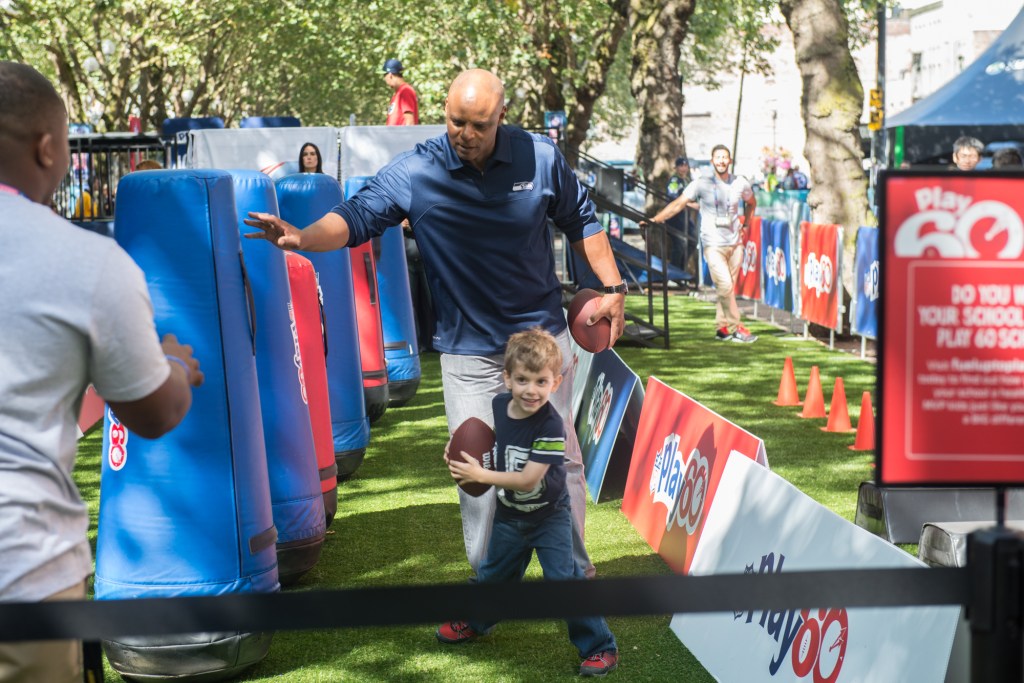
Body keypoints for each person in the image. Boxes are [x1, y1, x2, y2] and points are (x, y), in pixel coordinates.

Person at [244, 68, 626, 580]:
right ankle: (491, 588)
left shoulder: (540, 157)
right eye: (455, 121)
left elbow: (582, 220)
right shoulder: (417, 170)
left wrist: (614, 289)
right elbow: (357, 216)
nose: (464, 134)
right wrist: (301, 236)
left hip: (541, 346)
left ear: (502, 118)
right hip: (468, 352)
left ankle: (576, 582)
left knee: (557, 467)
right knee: (475, 471)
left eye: (478, 125)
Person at [0, 61, 204, 682]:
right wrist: (175, 364)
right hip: (23, 573)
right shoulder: (88, 261)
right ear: (48, 147)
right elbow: (153, 412)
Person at [437, 327, 618, 677]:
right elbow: (488, 439)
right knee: (492, 575)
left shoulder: (551, 425)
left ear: (556, 382)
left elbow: (528, 478)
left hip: (549, 517)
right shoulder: (500, 406)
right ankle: (476, 620)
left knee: (563, 580)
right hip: (511, 515)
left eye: (540, 381)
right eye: (521, 379)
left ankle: (599, 646)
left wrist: (481, 476)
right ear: (506, 378)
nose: (530, 390)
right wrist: (457, 447)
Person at [642, 144, 758, 343]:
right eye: (718, 157)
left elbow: (752, 202)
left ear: (729, 161)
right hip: (712, 244)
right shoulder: (701, 183)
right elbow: (678, 204)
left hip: (735, 243)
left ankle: (722, 328)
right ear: (712, 161)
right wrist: (655, 220)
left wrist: (746, 223)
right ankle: (736, 327)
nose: (721, 160)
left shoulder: (740, 183)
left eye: (725, 157)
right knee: (725, 285)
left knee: (726, 289)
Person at [664, 156, 693, 270]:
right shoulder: (674, 181)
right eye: (681, 165)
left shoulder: (687, 181)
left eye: (686, 165)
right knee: (679, 245)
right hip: (675, 218)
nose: (684, 168)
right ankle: (674, 273)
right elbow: (673, 198)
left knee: (692, 241)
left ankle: (681, 270)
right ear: (676, 168)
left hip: (685, 217)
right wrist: (688, 204)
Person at [383, 58, 419, 126]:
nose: (384, 79)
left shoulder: (405, 91)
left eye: (384, 75)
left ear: (390, 75)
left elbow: (410, 122)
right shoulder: (398, 93)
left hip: (402, 136)